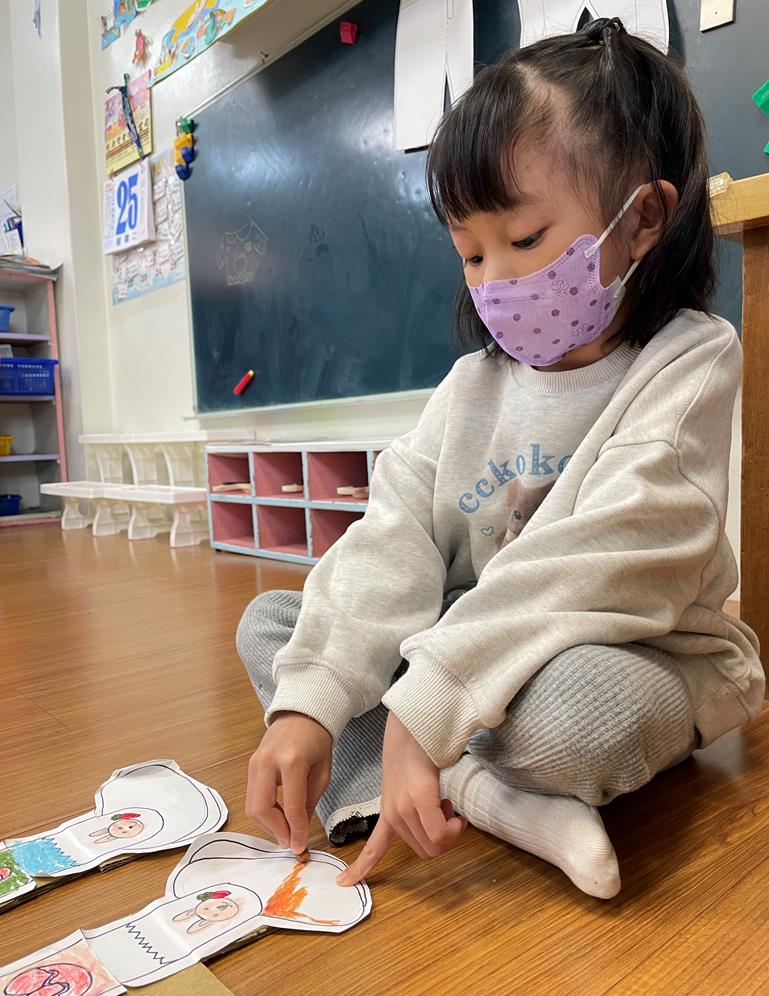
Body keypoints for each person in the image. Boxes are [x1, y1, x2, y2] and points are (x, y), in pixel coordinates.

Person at [236, 18, 765, 900]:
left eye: (522, 242)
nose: (492, 283)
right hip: (474, 641)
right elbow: (394, 533)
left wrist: (426, 698)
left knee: (573, 713)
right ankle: (473, 790)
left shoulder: (690, 357)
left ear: (641, 219)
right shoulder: (469, 386)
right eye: (469, 253)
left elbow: (626, 547)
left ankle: (442, 766)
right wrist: (311, 704)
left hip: (637, 648)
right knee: (279, 629)